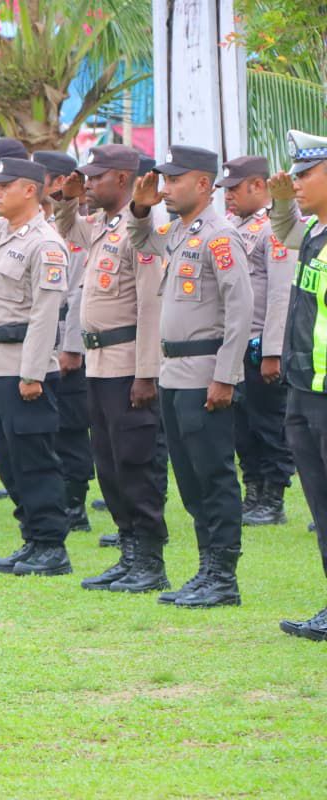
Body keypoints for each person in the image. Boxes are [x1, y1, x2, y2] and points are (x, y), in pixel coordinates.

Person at [129, 145, 253, 608]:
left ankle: (223, 575)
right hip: (174, 372)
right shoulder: (180, 232)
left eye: (175, 179)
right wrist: (140, 207)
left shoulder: (220, 237)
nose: (166, 187)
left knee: (214, 474)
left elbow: (241, 309)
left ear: (203, 184)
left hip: (205, 371)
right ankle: (207, 568)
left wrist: (226, 375)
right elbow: (141, 240)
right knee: (190, 477)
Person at [57, 144, 169, 592]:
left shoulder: (142, 230)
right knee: (109, 462)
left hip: (127, 366)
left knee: (136, 461)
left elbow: (150, 304)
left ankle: (150, 560)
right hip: (100, 364)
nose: (89, 185)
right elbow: (68, 229)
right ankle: (128, 551)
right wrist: (66, 199)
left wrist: (146, 373)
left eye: (96, 178)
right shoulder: (106, 226)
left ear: (122, 179)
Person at [0, 158, 72, 575]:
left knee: (34, 457)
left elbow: (45, 315)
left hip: (25, 367)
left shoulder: (45, 243)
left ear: (30, 189)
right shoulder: (9, 235)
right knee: (8, 460)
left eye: (3, 186)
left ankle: (50, 545)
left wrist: (32, 374)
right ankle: (32, 537)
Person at [268, 131, 327, 640]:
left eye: (307, 174)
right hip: (306, 388)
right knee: (321, 504)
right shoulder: (314, 232)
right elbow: (284, 230)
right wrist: (285, 200)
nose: (297, 182)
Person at [218, 156, 296, 526]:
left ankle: (273, 498)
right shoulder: (232, 226)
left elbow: (281, 294)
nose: (227, 196)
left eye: (234, 188)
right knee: (241, 426)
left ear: (258, 186)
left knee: (268, 423)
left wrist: (273, 351)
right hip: (234, 343)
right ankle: (253, 491)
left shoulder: (274, 228)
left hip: (259, 344)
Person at [34, 151, 97, 533]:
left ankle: (75, 503)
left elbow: (79, 292)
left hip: (67, 343)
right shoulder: (44, 225)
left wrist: (71, 346)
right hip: (44, 339)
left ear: (56, 182)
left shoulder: (75, 230)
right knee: (51, 424)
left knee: (71, 424)